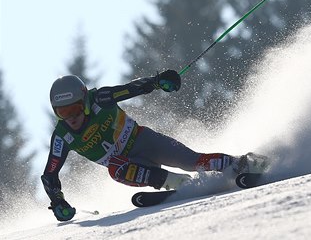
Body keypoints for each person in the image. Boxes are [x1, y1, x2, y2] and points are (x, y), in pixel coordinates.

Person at [41, 69, 251, 222]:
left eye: (75, 109)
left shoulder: (100, 99)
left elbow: (129, 89)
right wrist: (58, 200)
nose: (71, 118)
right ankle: (177, 184)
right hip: (132, 164)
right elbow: (50, 175)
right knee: (116, 168)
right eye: (63, 113)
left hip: (146, 142)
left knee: (193, 161)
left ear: (85, 101)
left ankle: (243, 164)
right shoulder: (62, 137)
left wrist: (158, 81)